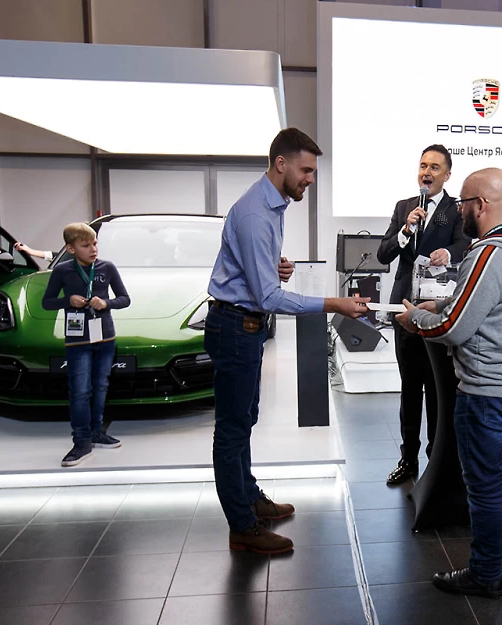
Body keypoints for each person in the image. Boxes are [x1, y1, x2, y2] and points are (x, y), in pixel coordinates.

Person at [206, 127, 369, 555]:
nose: (310, 179)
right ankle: (242, 526)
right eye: (306, 170)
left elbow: (253, 275)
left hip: (244, 326)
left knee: (245, 419)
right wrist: (333, 303)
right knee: (232, 430)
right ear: (281, 164)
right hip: (235, 327)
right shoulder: (257, 214)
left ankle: (249, 498)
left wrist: (271, 266)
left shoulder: (272, 205)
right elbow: (268, 298)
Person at [395, 167, 502, 598]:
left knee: (484, 488)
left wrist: (415, 318)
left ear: (480, 205)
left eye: (463, 202)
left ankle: (485, 574)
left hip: (490, 393)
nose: (458, 210)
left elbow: (453, 329)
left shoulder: (489, 253)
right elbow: (487, 301)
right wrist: (445, 303)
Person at [377, 144, 469, 485]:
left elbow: (465, 245)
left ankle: (436, 458)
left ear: (447, 175)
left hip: (438, 309)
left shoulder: (455, 210)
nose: (426, 172)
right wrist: (405, 231)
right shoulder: (405, 207)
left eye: (434, 167)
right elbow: (383, 253)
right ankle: (408, 459)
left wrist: (449, 252)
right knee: (410, 387)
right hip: (405, 310)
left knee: (438, 388)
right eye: (422, 166)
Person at [42, 222, 130, 467]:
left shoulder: (107, 267)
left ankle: (96, 432)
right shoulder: (62, 271)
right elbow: (47, 302)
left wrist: (106, 303)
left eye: (95, 244)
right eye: (86, 245)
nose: (93, 249)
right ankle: (81, 442)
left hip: (106, 338)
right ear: (71, 248)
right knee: (80, 391)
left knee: (101, 386)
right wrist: (67, 300)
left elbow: (125, 299)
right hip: (77, 340)